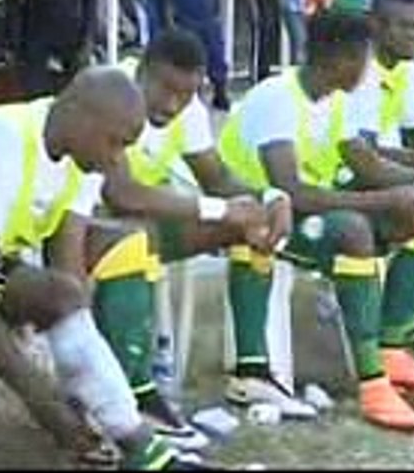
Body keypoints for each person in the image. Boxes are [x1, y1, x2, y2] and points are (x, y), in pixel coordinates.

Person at [0, 67, 204, 469]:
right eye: (116, 143)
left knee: (63, 295)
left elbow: (67, 279)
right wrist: (44, 403)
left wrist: (82, 384)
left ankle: (133, 439)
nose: (116, 160)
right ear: (81, 116)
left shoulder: (82, 160)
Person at [217, 9, 414, 431]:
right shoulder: (277, 98)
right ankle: (372, 383)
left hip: (306, 214)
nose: (367, 70)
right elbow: (292, 190)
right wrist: (384, 199)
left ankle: (392, 348)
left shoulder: (335, 99)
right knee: (354, 229)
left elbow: (367, 164)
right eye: (364, 59)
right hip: (259, 216)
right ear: (341, 59)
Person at [100, 30, 314, 441]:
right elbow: (122, 195)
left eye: (185, 94)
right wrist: (218, 209)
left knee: (250, 225)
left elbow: (216, 179)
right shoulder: (111, 93)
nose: (172, 104)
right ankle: (135, 393)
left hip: (143, 225)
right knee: (136, 234)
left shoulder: (187, 110)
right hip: (82, 229)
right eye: (164, 89)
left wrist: (270, 197)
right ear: (141, 71)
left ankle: (251, 372)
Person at [336, 0, 414, 359]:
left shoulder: (403, 67)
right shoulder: (358, 72)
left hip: (373, 171)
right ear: (377, 27)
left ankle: (407, 319)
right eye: (407, 27)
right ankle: (398, 328)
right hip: (341, 179)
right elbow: (364, 157)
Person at [163, 0, 230, 111]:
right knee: (192, 60)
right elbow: (168, 0)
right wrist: (171, 23)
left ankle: (220, 93)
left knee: (216, 56)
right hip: (187, 22)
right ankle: (194, 97)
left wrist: (218, 13)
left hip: (208, 21)